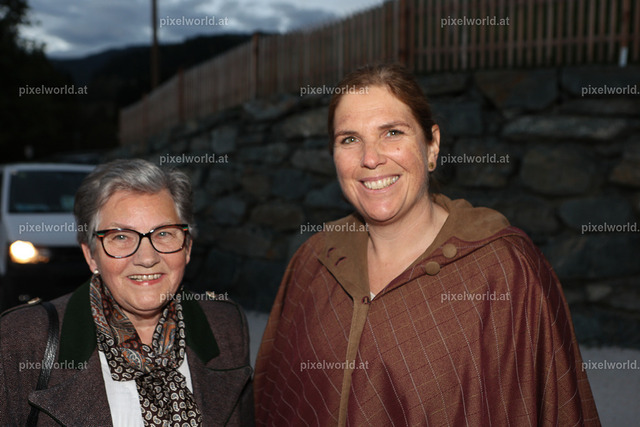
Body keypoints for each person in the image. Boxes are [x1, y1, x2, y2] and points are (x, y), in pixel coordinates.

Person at [254, 64, 600, 426]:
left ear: (432, 145)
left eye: (392, 132)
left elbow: (553, 406)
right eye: (349, 139)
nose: (370, 158)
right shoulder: (313, 261)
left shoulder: (505, 273)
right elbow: (275, 400)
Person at [0, 159, 253, 426]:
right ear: (91, 255)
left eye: (164, 233)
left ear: (187, 247)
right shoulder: (23, 340)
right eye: (121, 236)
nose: (147, 258)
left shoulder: (225, 326)